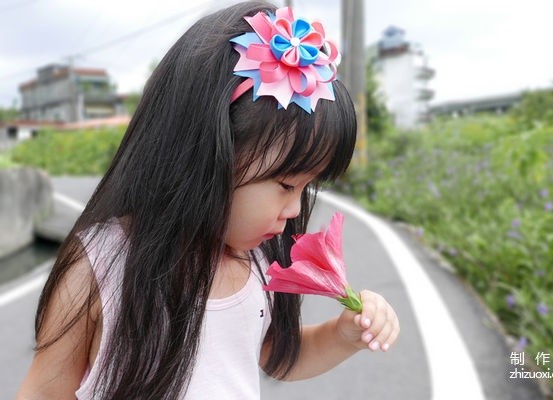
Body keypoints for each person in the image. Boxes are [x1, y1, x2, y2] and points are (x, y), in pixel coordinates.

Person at [16, 2, 400, 399]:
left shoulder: (258, 264)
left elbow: (277, 355)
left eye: (307, 188)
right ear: (206, 156)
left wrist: (342, 335)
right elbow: (44, 391)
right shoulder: (100, 267)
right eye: (286, 185)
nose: (296, 209)